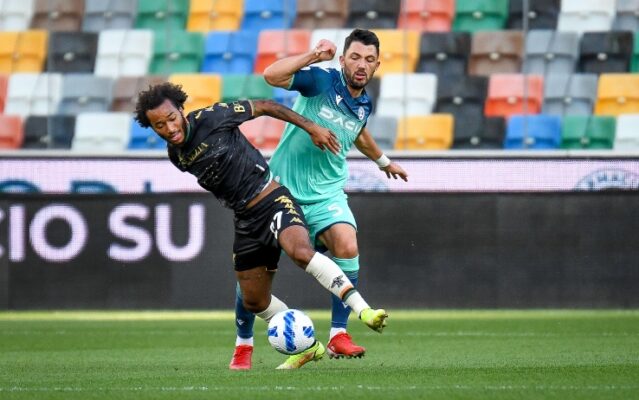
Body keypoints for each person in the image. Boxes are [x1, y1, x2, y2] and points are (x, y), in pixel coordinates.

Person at [134, 82, 388, 370]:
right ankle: (308, 347)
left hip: (272, 199)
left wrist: (311, 127)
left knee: (301, 252)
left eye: (171, 118)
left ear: (181, 110)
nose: (169, 128)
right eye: (159, 126)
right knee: (254, 300)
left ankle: (364, 311)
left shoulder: (214, 117)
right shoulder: (176, 155)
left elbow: (266, 106)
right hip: (245, 220)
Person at [230, 29, 408, 370]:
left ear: (377, 65)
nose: (361, 65)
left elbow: (358, 133)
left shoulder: (364, 103)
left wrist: (384, 162)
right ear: (342, 60)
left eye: (369, 60)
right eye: (355, 57)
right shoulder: (321, 81)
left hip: (326, 193)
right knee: (253, 280)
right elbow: (271, 75)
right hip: (280, 194)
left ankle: (339, 335)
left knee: (347, 244)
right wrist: (314, 55)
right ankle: (243, 344)